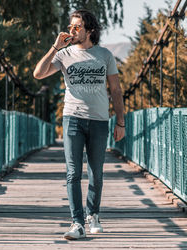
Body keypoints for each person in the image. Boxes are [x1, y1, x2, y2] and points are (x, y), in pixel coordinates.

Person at [33, 9, 125, 240]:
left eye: (77, 27)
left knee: (96, 173)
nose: (71, 30)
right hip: (72, 118)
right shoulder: (64, 54)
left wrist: (121, 122)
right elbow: (38, 74)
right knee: (73, 173)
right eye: (70, 26)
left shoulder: (104, 55)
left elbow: (115, 89)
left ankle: (92, 214)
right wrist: (55, 47)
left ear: (90, 30)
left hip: (99, 121)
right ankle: (77, 222)